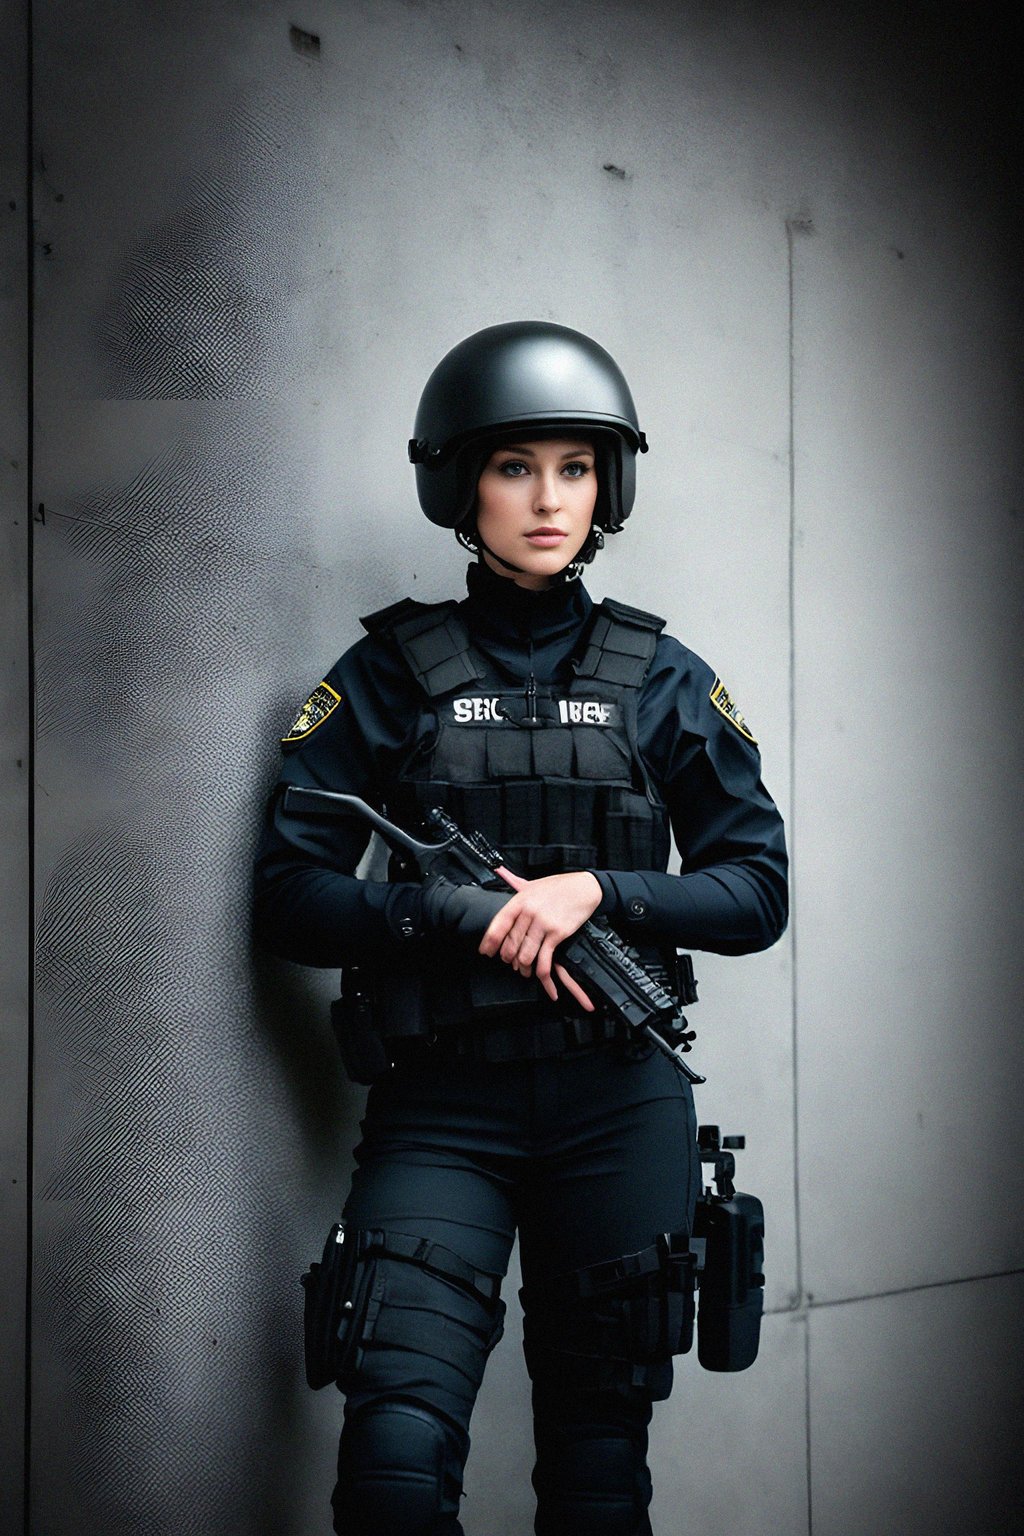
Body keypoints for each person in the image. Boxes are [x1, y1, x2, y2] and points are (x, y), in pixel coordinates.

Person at [253, 321, 788, 1535]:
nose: (547, 499)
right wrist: (439, 909)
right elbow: (289, 893)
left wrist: (605, 893)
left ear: (610, 485)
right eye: (513, 466)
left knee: (600, 1472)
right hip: (444, 1107)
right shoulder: (386, 676)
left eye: (575, 467)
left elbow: (756, 892)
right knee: (391, 1454)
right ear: (459, 481)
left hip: (618, 1104)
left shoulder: (662, 679)